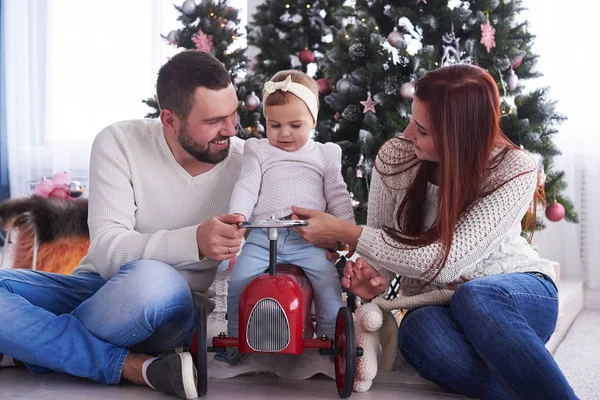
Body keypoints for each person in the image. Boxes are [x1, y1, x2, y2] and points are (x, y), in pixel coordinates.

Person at [290, 64, 578, 399]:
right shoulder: (396, 157)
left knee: (476, 295)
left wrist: (349, 232)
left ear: (461, 138)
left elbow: (447, 262)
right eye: (412, 120)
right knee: (416, 332)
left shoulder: (514, 169)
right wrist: (372, 279)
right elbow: (382, 244)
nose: (409, 133)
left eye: (423, 129)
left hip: (517, 294)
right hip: (436, 304)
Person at [0, 50, 246, 399]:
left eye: (233, 113)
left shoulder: (246, 163)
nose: (230, 129)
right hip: (93, 287)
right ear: (169, 120)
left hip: (169, 307)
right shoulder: (120, 142)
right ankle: (135, 367)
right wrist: (194, 241)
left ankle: (34, 344)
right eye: (213, 120)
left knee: (153, 279)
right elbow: (107, 250)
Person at [217, 70, 355, 366]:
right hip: (262, 236)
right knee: (239, 279)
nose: (284, 133)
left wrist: (348, 230)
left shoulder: (324, 154)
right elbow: (247, 185)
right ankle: (235, 336)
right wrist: (239, 214)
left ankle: (329, 336)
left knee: (328, 282)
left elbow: (338, 194)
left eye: (295, 125)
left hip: (307, 238)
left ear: (314, 121)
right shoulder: (259, 150)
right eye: (274, 124)